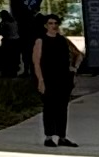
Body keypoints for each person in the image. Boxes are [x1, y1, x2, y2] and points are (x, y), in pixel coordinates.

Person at [33, 14, 77, 148]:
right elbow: (36, 61)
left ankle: (62, 136)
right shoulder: (41, 40)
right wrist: (40, 80)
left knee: (62, 108)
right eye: (51, 23)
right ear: (46, 25)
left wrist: (74, 68)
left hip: (63, 78)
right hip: (48, 78)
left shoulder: (63, 40)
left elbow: (77, 54)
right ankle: (49, 136)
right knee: (49, 107)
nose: (54, 26)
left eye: (56, 23)